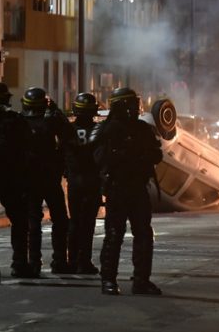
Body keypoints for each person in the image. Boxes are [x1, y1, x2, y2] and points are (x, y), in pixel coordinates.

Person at [92, 87, 163, 295]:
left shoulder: (142, 129)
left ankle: (140, 280)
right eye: (132, 103)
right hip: (118, 188)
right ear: (123, 105)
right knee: (115, 235)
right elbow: (98, 158)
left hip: (136, 188)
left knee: (142, 234)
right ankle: (109, 280)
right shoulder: (107, 130)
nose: (136, 107)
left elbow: (156, 155)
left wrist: (138, 158)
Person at [0, 81, 33, 278]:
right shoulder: (16, 121)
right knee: (19, 221)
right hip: (12, 179)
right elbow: (28, 149)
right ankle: (19, 264)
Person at [21, 87, 74, 275]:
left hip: (29, 179)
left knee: (32, 221)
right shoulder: (51, 121)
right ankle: (59, 260)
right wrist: (56, 109)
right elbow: (69, 135)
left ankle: (33, 262)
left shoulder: (20, 122)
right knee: (60, 220)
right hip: (50, 178)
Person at [65, 93, 102, 274]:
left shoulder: (68, 129)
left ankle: (71, 261)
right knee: (88, 223)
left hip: (74, 180)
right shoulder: (99, 130)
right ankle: (84, 261)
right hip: (93, 180)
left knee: (75, 221)